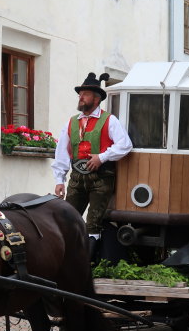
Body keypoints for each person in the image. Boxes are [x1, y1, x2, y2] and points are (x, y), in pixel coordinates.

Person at [52, 72, 133, 260]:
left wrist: (102, 157)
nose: (81, 97)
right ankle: (67, 259)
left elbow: (125, 145)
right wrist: (59, 180)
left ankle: (89, 264)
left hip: (101, 178)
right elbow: (61, 152)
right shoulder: (72, 122)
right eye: (80, 94)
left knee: (93, 223)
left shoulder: (109, 120)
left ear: (96, 99)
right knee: (67, 219)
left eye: (85, 94)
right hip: (77, 177)